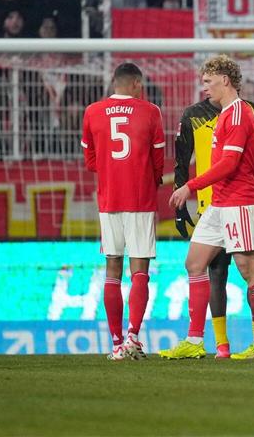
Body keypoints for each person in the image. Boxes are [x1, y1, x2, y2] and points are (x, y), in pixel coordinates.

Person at [161, 56, 254, 360]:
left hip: (239, 201)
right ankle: (195, 340)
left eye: (208, 82)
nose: (204, 89)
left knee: (250, 270)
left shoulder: (239, 114)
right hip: (218, 203)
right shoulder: (226, 114)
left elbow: (229, 163)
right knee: (195, 263)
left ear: (225, 79)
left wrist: (189, 186)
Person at [80, 63, 165, 361]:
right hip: (140, 199)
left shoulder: (92, 111)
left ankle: (116, 344)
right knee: (139, 270)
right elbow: (158, 162)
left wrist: (111, 169)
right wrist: (146, 177)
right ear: (136, 83)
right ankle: (133, 336)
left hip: (109, 200)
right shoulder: (150, 111)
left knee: (112, 268)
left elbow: (90, 160)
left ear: (114, 83)